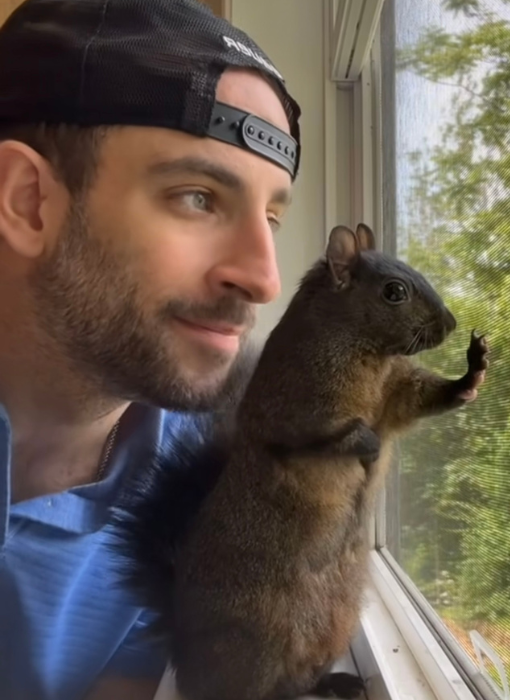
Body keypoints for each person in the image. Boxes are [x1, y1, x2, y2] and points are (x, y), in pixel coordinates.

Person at [0, 0, 303, 698]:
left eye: (272, 217)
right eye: (197, 197)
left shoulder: (198, 478)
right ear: (27, 202)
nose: (262, 278)